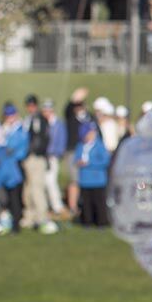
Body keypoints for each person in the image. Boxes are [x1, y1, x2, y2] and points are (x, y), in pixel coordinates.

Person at [0, 102, 30, 234]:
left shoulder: (20, 130)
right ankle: (6, 222)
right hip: (4, 168)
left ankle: (16, 225)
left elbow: (20, 150)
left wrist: (10, 150)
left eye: (11, 114)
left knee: (15, 197)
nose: (9, 117)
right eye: (7, 115)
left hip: (15, 167)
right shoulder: (3, 129)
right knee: (4, 198)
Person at [20, 94, 55, 234]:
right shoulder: (29, 119)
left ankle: (41, 217)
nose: (30, 108)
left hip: (36, 157)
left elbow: (40, 139)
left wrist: (33, 151)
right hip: (28, 158)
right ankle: (29, 216)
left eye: (32, 105)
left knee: (37, 188)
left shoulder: (39, 119)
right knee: (28, 189)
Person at [73, 122, 110, 227]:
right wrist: (78, 162)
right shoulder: (80, 146)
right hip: (85, 179)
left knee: (99, 202)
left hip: (98, 180)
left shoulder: (99, 145)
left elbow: (105, 161)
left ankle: (101, 222)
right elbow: (76, 159)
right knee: (86, 203)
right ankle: (87, 221)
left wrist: (90, 163)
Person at [64, 87, 92, 215]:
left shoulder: (88, 118)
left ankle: (85, 204)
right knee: (74, 180)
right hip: (73, 151)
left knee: (85, 179)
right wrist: (74, 98)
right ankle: (73, 207)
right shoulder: (71, 117)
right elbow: (69, 107)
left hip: (86, 151)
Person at [41, 99, 68, 218]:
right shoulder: (42, 123)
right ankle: (48, 205)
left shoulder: (58, 124)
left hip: (52, 157)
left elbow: (61, 141)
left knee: (50, 181)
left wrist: (56, 154)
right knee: (43, 183)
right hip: (42, 158)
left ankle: (57, 206)